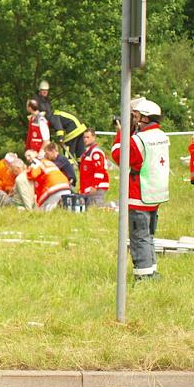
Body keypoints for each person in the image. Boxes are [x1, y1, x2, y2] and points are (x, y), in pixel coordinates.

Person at [111, 99, 170, 282]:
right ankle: (152, 271)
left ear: (144, 117)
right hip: (155, 194)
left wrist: (122, 132)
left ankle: (143, 276)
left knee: (138, 238)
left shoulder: (139, 140)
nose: (133, 120)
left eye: (135, 117)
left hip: (140, 195)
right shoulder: (161, 135)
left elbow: (118, 155)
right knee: (148, 236)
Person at [78, 129, 109, 207]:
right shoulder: (87, 152)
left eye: (88, 137)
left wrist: (95, 186)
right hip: (89, 188)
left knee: (97, 207)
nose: (85, 139)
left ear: (94, 137)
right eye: (84, 137)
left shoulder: (96, 152)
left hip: (96, 188)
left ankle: (114, 206)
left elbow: (99, 171)